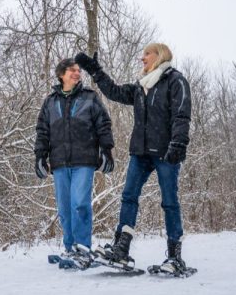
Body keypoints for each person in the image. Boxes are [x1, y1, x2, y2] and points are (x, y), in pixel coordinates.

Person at [75, 43, 194, 275]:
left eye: (146, 54)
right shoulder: (141, 87)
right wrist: (95, 70)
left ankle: (174, 257)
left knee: (169, 202)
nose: (142, 58)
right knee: (129, 196)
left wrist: (178, 143)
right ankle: (122, 248)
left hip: (166, 152)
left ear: (159, 56)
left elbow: (182, 114)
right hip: (140, 153)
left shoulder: (175, 81)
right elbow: (115, 91)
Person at [34, 58, 115, 259]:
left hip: (84, 160)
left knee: (79, 204)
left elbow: (103, 124)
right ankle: (70, 249)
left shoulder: (90, 97)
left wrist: (106, 150)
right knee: (64, 209)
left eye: (79, 70)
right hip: (59, 162)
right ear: (61, 74)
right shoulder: (50, 102)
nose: (77, 73)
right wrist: (40, 156)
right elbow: (42, 131)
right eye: (72, 70)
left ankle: (83, 248)